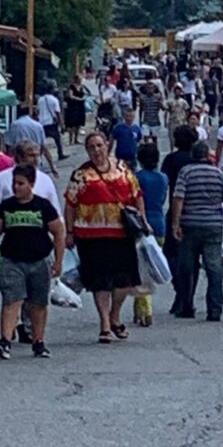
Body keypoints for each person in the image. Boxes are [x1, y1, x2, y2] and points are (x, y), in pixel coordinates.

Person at [65, 132, 147, 343]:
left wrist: (143, 221)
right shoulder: (81, 174)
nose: (96, 150)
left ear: (107, 146)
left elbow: (137, 195)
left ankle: (115, 315)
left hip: (121, 233)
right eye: (92, 147)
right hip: (91, 236)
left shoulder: (122, 168)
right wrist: (70, 231)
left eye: (100, 145)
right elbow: (71, 204)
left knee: (124, 281)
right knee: (100, 281)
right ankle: (105, 323)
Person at [0, 163, 64, 360]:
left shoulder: (43, 206)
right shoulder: (7, 206)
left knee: (38, 303)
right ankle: (5, 341)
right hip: (12, 260)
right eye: (14, 183)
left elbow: (58, 232)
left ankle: (38, 341)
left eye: (21, 183)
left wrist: (58, 261)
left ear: (31, 184)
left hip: (39, 260)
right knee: (12, 299)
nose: (16, 187)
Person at [172, 141, 223, 321]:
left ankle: (186, 306)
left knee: (187, 267)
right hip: (213, 226)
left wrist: (175, 224)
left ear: (193, 155)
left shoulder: (185, 172)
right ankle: (215, 308)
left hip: (190, 225)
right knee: (214, 268)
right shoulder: (219, 174)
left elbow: (178, 199)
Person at [162, 125, 198, 314]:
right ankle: (188, 297)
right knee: (193, 259)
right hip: (196, 211)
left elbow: (164, 183)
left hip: (176, 209)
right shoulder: (197, 159)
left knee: (171, 254)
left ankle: (180, 291)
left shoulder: (171, 160)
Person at [133, 142, 168, 327]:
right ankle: (138, 310)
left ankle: (145, 311)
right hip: (159, 224)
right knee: (148, 268)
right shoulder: (163, 178)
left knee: (141, 271)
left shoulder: (137, 177)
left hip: (141, 225)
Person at [4, 106, 58, 177]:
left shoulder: (15, 125)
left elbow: (9, 146)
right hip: (37, 160)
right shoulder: (38, 125)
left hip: (20, 161)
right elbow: (44, 147)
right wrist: (52, 166)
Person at [37, 83, 68, 162]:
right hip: (51, 122)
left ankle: (38, 156)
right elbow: (57, 113)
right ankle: (60, 153)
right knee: (57, 139)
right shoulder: (54, 100)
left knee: (41, 141)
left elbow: (37, 111)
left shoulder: (40, 100)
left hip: (42, 123)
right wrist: (62, 124)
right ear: (52, 90)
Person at [64, 75, 87, 145]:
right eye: (79, 79)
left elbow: (85, 94)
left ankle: (76, 139)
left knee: (78, 123)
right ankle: (70, 139)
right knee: (72, 123)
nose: (80, 81)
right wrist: (78, 99)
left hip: (80, 106)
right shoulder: (72, 87)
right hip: (73, 106)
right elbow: (71, 96)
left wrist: (84, 97)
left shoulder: (82, 87)